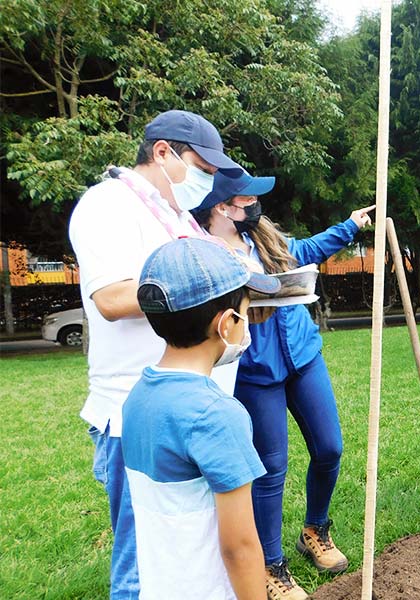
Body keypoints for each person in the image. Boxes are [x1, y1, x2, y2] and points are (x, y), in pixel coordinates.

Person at [68, 109, 243, 599]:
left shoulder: (175, 214)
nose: (207, 181)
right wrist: (195, 288)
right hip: (135, 408)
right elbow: (109, 297)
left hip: (193, 400)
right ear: (163, 153)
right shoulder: (108, 206)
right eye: (202, 169)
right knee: (139, 564)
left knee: (180, 549)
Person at [194, 169, 375, 599]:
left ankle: (315, 529)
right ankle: (271, 567)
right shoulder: (202, 252)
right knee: (271, 469)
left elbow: (307, 249)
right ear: (222, 207)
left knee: (330, 448)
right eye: (246, 200)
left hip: (303, 356)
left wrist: (350, 225)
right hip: (256, 371)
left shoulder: (264, 238)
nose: (255, 205)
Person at [123, 237, 279, 599]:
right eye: (246, 310)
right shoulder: (217, 415)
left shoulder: (138, 397)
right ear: (226, 324)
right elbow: (239, 547)